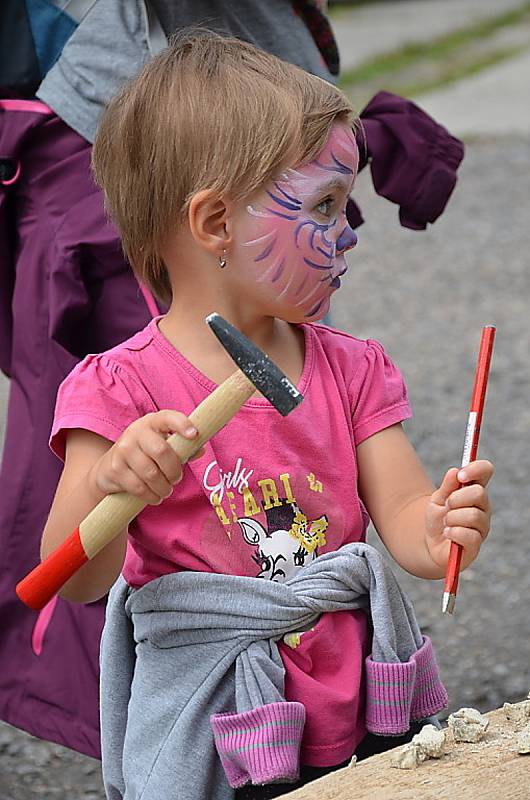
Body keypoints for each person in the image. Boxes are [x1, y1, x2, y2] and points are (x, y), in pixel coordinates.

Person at [39, 31, 492, 800]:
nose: (350, 232)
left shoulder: (350, 366)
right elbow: (75, 580)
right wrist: (114, 488)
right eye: (324, 204)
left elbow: (406, 514)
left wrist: (441, 522)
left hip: (353, 706)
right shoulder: (117, 391)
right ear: (215, 223)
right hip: (215, 725)